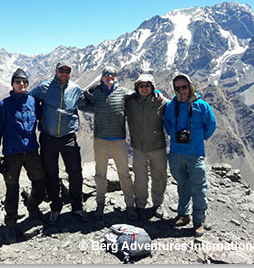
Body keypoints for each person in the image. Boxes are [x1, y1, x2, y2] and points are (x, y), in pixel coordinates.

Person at [0, 68, 46, 244]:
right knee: (12, 190)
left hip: (31, 151)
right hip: (12, 154)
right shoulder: (3, 105)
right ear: (12, 84)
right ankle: (11, 227)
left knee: (40, 181)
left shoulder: (33, 102)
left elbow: (43, 119)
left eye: (24, 82)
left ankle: (33, 207)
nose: (22, 84)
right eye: (18, 82)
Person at [31, 62, 89, 224]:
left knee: (75, 171)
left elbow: (87, 104)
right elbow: (30, 99)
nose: (64, 73)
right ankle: (55, 206)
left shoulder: (76, 90)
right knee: (51, 173)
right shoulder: (44, 87)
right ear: (55, 71)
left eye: (67, 71)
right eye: (61, 71)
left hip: (68, 137)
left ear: (70, 73)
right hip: (48, 137)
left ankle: (77, 206)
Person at [163, 73, 217, 237]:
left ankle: (199, 221)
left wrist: (199, 139)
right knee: (182, 185)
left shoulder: (202, 106)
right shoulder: (171, 106)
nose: (181, 91)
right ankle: (183, 215)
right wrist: (175, 134)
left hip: (195, 154)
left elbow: (211, 125)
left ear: (190, 86)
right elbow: (167, 123)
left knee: (199, 188)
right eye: (177, 88)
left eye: (184, 87)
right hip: (176, 153)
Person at [84, 66, 137, 221]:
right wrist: (95, 86)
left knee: (124, 174)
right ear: (102, 77)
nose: (109, 77)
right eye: (106, 75)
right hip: (100, 140)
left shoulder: (124, 93)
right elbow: (85, 94)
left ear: (116, 77)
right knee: (100, 174)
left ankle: (130, 206)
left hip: (119, 140)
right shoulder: (96, 93)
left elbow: (138, 96)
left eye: (112, 75)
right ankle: (100, 204)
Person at [125, 74, 168, 221]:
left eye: (147, 86)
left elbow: (176, 106)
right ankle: (141, 206)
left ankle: (158, 204)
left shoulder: (161, 102)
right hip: (138, 148)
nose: (144, 88)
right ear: (137, 88)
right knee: (140, 179)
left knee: (159, 177)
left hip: (158, 147)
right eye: (141, 86)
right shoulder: (130, 102)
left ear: (152, 87)